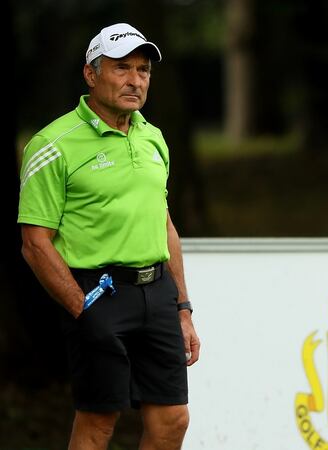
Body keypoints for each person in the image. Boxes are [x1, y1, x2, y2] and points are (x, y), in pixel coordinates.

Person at [17, 23, 200, 450]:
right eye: (122, 68)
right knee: (98, 423)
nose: (135, 80)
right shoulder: (53, 143)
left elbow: (164, 222)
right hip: (96, 293)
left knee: (173, 420)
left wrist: (183, 306)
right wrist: (83, 310)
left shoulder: (153, 137)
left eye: (143, 70)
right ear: (91, 74)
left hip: (156, 293)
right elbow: (34, 243)